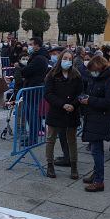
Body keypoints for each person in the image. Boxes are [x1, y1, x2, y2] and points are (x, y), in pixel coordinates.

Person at [79, 56, 110, 192]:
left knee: (97, 150)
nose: (92, 73)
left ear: (99, 67)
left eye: (93, 70)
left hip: (101, 119)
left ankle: (99, 181)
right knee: (96, 149)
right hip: (93, 117)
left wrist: (90, 100)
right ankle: (96, 174)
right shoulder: (96, 79)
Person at [44, 49, 83, 179]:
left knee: (72, 140)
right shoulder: (52, 75)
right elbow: (48, 94)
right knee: (51, 139)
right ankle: (50, 165)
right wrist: (62, 104)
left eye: (69, 59)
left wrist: (73, 104)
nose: (67, 61)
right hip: (56, 111)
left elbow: (80, 93)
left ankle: (74, 167)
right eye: (65, 58)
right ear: (60, 59)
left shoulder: (76, 75)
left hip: (71, 112)